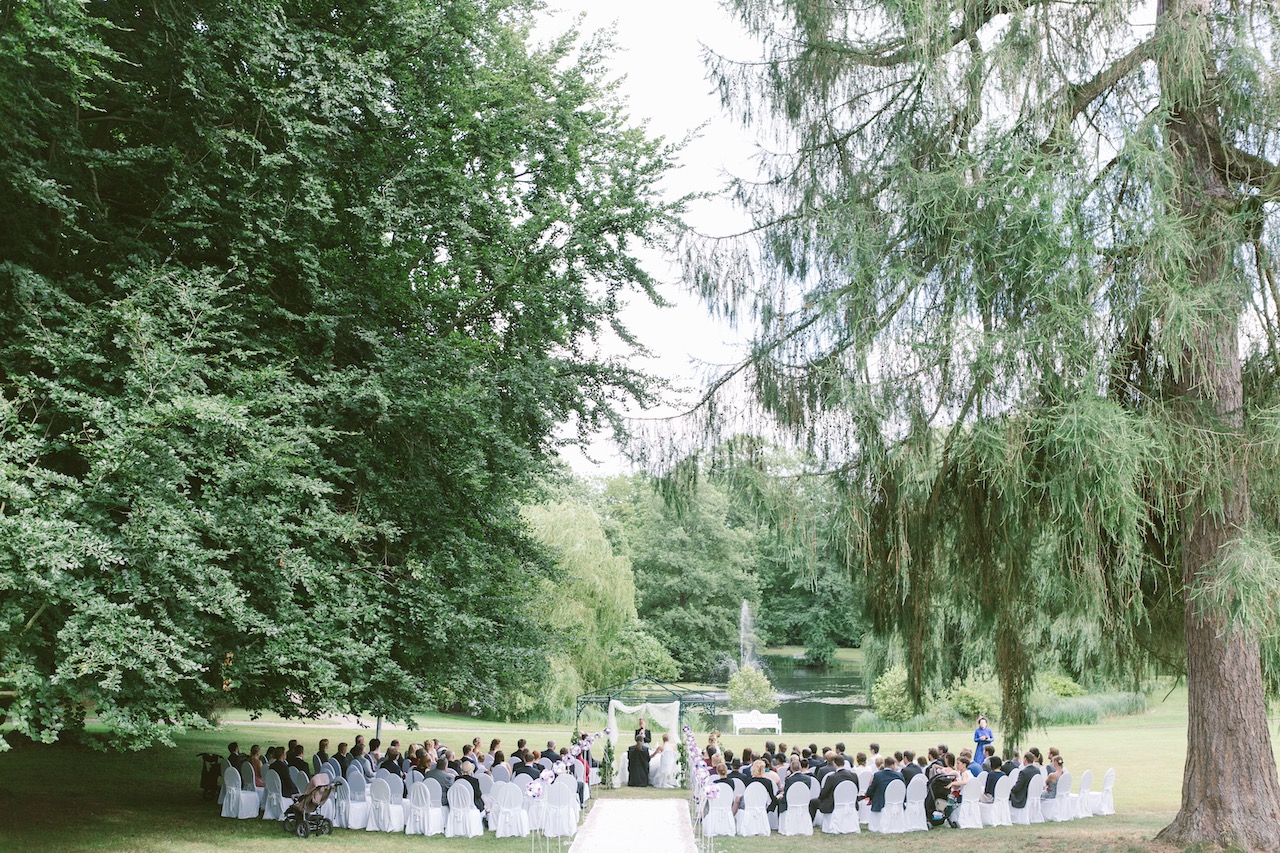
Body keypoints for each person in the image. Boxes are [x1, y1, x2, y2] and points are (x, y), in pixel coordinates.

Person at [809, 753, 856, 821]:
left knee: (813, 802)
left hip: (833, 803)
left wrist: (820, 797)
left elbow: (823, 794)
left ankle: (810, 823)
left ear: (834, 763)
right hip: (849, 801)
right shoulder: (854, 775)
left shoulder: (831, 777)